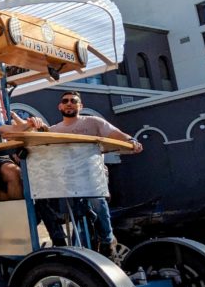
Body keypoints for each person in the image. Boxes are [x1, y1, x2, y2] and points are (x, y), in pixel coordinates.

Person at [46, 91, 142, 256]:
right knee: (57, 204)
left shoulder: (93, 122)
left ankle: (107, 241)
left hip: (92, 173)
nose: (69, 103)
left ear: (80, 106)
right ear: (60, 106)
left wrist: (131, 141)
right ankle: (67, 244)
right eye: (65, 101)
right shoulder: (54, 129)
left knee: (96, 201)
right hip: (68, 177)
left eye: (74, 101)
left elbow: (117, 134)